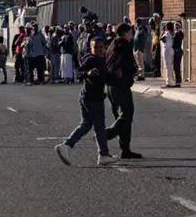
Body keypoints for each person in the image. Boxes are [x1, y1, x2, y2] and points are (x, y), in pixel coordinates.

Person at [54, 36, 114, 166]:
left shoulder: (102, 60)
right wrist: (88, 73)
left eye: (101, 47)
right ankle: (103, 154)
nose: (99, 49)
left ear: (105, 48)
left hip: (90, 97)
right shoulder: (91, 59)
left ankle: (66, 146)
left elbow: (107, 77)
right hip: (92, 98)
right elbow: (79, 72)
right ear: (91, 48)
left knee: (86, 124)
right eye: (95, 47)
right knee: (99, 127)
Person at [105, 22, 143, 159]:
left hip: (110, 86)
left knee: (121, 118)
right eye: (130, 32)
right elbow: (126, 64)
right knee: (126, 114)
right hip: (120, 86)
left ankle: (125, 149)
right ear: (126, 33)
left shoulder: (112, 45)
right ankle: (108, 133)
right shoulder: (124, 45)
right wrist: (133, 71)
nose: (132, 35)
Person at [161, 22, 177, 87]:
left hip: (167, 50)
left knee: (168, 66)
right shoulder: (172, 33)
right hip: (171, 50)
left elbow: (161, 38)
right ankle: (170, 81)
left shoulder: (167, 33)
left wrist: (163, 31)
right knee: (170, 66)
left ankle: (168, 82)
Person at [172, 20, 186, 88]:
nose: (175, 26)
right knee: (175, 67)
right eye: (175, 25)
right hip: (176, 50)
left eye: (177, 25)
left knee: (176, 66)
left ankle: (178, 82)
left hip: (178, 51)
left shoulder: (179, 33)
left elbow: (176, 40)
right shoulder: (176, 33)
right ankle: (177, 81)